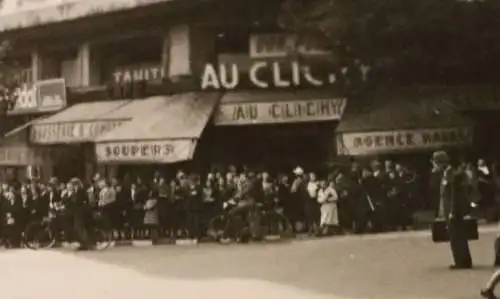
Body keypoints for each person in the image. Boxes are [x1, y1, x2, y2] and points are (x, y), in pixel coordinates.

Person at [433, 151, 472, 269]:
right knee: (455, 236)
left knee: (457, 237)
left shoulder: (452, 174)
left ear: (442, 163)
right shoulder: (446, 174)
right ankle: (461, 260)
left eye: (436, 163)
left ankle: (462, 261)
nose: (434, 166)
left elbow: (454, 195)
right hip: (449, 210)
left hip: (453, 211)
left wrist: (452, 211)